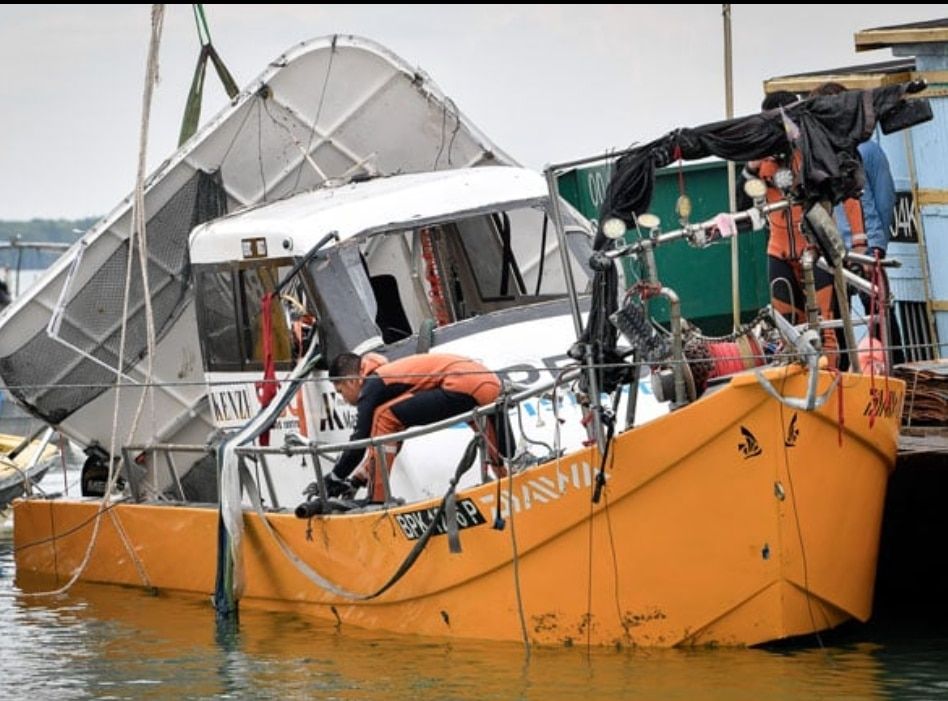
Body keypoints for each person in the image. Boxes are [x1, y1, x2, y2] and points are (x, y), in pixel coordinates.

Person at [323, 351, 513, 501]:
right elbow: (391, 442)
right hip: (487, 383)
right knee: (490, 437)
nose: (344, 400)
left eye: (340, 392)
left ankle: (376, 500)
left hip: (462, 384)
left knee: (383, 417)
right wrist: (357, 479)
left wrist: (335, 478)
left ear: (350, 381)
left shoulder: (373, 384)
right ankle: (510, 481)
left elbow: (360, 443)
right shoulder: (390, 375)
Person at [741, 90, 843, 366]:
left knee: (824, 326)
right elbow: (745, 200)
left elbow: (845, 197)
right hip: (779, 251)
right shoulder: (760, 160)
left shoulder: (812, 152)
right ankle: (797, 379)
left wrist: (859, 241)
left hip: (815, 251)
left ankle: (832, 379)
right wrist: (751, 166)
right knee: (788, 328)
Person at [810, 81, 904, 368]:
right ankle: (856, 378)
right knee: (839, 321)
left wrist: (876, 243)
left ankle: (895, 372)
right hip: (840, 250)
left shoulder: (866, 151)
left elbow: (885, 198)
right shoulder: (821, 154)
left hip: (862, 247)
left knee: (877, 317)